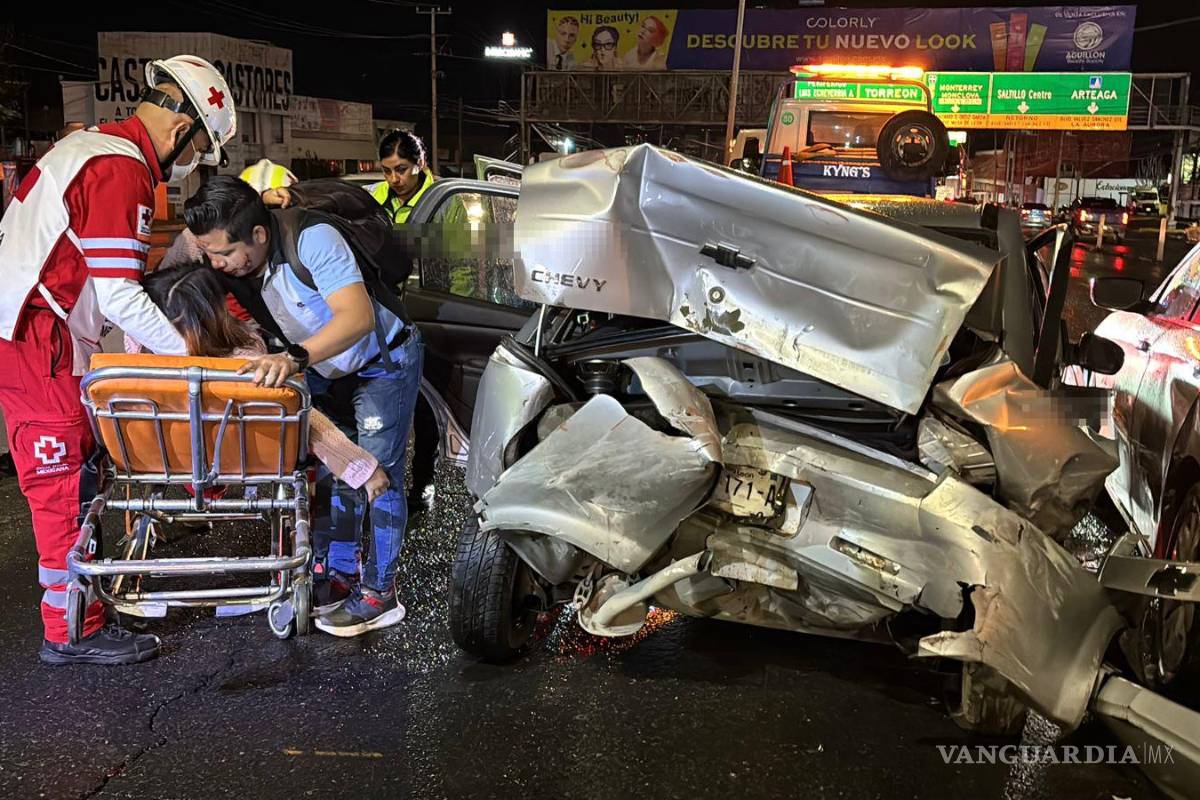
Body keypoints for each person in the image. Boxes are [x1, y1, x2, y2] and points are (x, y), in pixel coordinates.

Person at [0, 55, 236, 666]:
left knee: (78, 474)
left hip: (43, 336)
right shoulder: (120, 168)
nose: (189, 164)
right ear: (182, 130)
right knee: (60, 486)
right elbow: (121, 296)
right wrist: (191, 360)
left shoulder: (88, 148)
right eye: (196, 152)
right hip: (40, 340)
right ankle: (70, 630)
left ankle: (84, 605)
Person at [184, 176, 423, 637]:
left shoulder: (312, 238)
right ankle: (339, 572)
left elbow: (357, 317)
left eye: (224, 253)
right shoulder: (230, 250)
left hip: (380, 361)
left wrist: (294, 359)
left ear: (258, 234)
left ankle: (380, 592)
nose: (216, 264)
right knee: (338, 469)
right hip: (324, 366)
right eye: (209, 253)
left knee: (379, 473)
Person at [139, 261, 389, 503]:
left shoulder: (139, 362)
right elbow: (307, 420)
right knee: (290, 406)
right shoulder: (246, 361)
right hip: (242, 453)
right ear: (215, 311)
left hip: (162, 453)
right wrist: (361, 468)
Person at [364, 130, 435, 226]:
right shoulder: (370, 195)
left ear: (420, 163)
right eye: (387, 171)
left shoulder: (443, 201)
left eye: (401, 170)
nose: (394, 179)